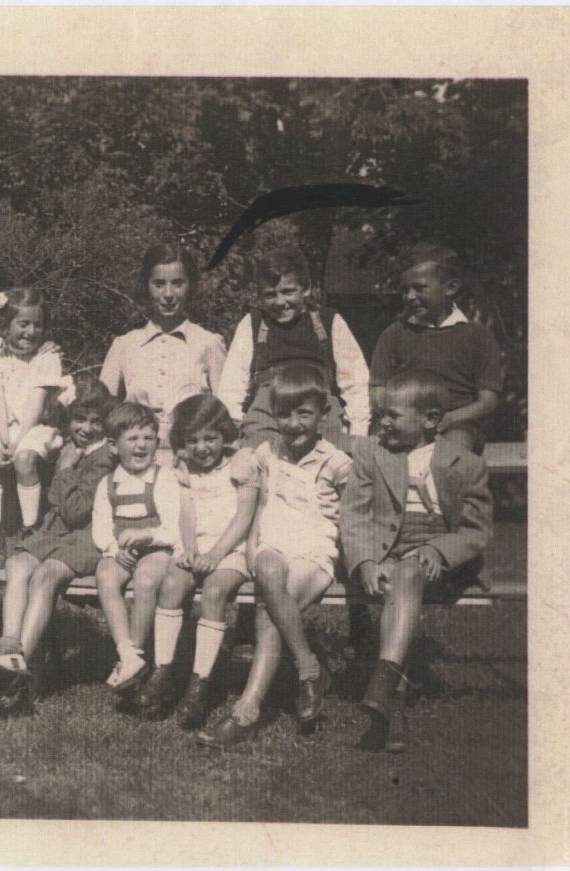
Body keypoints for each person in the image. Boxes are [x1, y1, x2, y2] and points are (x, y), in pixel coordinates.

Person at [197, 363, 353, 749]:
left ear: (323, 414)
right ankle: (308, 669)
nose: (294, 424)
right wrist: (252, 547)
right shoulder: (267, 454)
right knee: (267, 570)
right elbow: (255, 498)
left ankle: (247, 710)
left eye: (305, 414)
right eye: (284, 414)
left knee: (269, 609)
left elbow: (352, 520)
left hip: (313, 550)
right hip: (272, 545)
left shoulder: (336, 463)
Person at [341, 371, 493, 752]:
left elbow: (476, 531)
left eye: (392, 415)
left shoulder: (465, 462)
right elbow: (355, 515)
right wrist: (366, 561)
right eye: (380, 415)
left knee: (408, 572)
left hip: (442, 564)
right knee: (400, 578)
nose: (383, 423)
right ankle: (391, 700)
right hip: (387, 556)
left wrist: (439, 550)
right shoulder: (371, 453)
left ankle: (383, 682)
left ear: (429, 420)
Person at [0, 373, 115, 710]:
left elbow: (77, 511)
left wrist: (65, 470)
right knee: (17, 563)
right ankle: (8, 647)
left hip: (87, 537)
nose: (86, 428)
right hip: (54, 533)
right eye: (79, 418)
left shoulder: (105, 457)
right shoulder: (67, 447)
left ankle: (19, 663)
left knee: (46, 575)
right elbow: (53, 500)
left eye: (95, 421)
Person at [137, 394, 260, 725]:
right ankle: (162, 671)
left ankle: (200, 684)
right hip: (199, 546)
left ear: (224, 434)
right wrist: (190, 549)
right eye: (192, 441)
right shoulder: (184, 468)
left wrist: (215, 555)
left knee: (216, 591)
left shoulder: (241, 464)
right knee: (173, 584)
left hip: (231, 549)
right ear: (182, 442)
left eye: (210, 438)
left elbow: (244, 518)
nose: (202, 448)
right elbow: (187, 514)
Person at [216, 247, 371, 448]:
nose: (280, 302)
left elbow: (355, 381)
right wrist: (233, 430)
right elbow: (232, 384)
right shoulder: (252, 324)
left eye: (288, 292)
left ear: (306, 289)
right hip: (268, 411)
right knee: (256, 454)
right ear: (260, 297)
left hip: (319, 410)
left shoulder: (328, 321)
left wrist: (358, 431)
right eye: (270, 295)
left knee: (335, 453)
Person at [369, 244, 505, 452]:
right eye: (405, 290)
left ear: (450, 288)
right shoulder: (394, 334)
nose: (410, 296)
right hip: (401, 423)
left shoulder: (477, 336)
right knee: (373, 451)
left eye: (419, 288)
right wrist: (401, 418)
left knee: (450, 455)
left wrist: (450, 418)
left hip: (456, 424)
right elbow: (378, 391)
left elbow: (488, 401)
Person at [91, 401, 185, 694]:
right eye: (132, 439)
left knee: (145, 579)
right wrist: (112, 548)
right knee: (106, 575)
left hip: (158, 547)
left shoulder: (163, 478)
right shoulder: (108, 483)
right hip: (122, 550)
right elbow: (101, 526)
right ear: (113, 445)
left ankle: (137, 652)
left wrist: (147, 535)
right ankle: (127, 653)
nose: (141, 445)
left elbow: (174, 527)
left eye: (148, 438)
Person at [99, 242, 227, 447]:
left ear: (190, 286)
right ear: (146, 286)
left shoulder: (209, 343)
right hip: (136, 453)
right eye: (159, 284)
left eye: (178, 284)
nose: (168, 294)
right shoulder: (124, 345)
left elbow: (225, 412)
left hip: (191, 453)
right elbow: (102, 410)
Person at [0, 286, 66, 557]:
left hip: (36, 427)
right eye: (23, 324)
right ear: (7, 324)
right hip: (5, 425)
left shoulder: (47, 358)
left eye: (38, 325)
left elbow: (36, 404)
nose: (31, 332)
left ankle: (30, 528)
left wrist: (17, 442)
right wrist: (4, 440)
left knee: (23, 458)